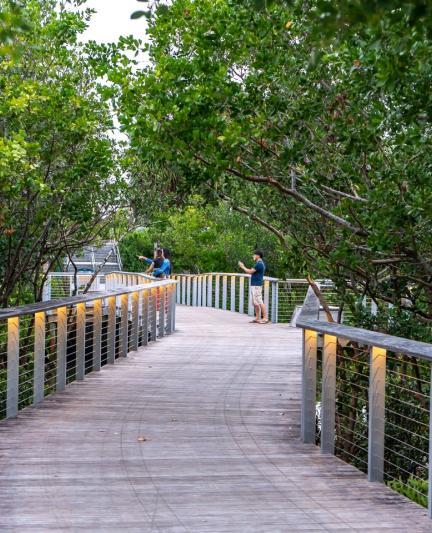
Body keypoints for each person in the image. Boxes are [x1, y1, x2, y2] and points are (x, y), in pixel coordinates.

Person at [238, 250, 268, 324]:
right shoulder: (258, 264)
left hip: (257, 285)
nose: (253, 256)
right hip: (254, 285)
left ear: (258, 256)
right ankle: (257, 318)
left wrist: (242, 266)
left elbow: (249, 271)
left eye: (254, 255)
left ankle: (265, 318)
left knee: (259, 301)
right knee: (255, 302)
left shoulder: (259, 264)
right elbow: (252, 271)